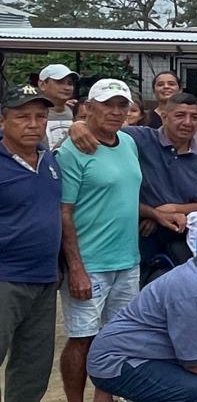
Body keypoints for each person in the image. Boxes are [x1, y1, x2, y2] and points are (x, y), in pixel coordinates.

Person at [86, 223, 197, 402]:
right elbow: (195, 360)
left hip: (142, 352)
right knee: (195, 390)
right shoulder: (195, 287)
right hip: (116, 360)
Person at [55, 78, 144, 402]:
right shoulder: (71, 150)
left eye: (122, 105)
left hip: (128, 261)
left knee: (118, 338)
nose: (116, 111)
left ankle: (104, 398)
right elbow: (64, 212)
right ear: (89, 108)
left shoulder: (129, 142)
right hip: (90, 263)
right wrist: (76, 268)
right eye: (108, 105)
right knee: (82, 338)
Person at [67, 92, 197, 282]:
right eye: (180, 115)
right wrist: (78, 126)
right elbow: (103, 130)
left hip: (181, 239)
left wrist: (170, 210)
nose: (187, 122)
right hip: (136, 237)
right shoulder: (138, 138)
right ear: (164, 116)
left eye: (194, 117)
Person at [0, 86, 61, 402]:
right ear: (3, 120)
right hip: (5, 277)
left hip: (44, 279)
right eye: (23, 117)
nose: (34, 124)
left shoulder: (49, 159)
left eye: (41, 116)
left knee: (33, 366)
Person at [38, 62, 78, 148]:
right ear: (42, 84)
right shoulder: (33, 114)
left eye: (70, 83)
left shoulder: (76, 112)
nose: (66, 87)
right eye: (60, 82)